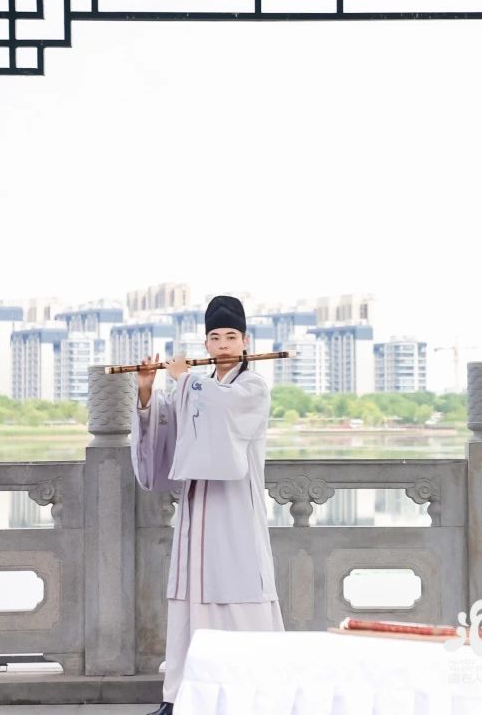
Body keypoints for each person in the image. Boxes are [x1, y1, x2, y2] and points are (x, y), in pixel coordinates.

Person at [131, 295, 284, 715]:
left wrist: (185, 380)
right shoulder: (194, 388)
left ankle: (254, 697)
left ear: (245, 341)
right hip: (197, 507)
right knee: (190, 599)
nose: (222, 344)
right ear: (206, 344)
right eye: (215, 337)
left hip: (234, 510)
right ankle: (180, 697)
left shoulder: (251, 387)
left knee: (239, 593)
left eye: (231, 336)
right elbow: (170, 429)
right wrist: (147, 390)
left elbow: (220, 408)